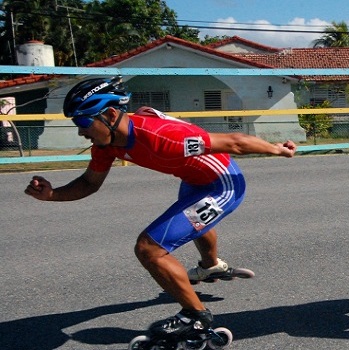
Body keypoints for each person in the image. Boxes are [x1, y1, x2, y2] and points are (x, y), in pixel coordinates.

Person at [24, 76, 296, 337]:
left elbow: (234, 142)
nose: (81, 131)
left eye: (83, 122)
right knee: (190, 222)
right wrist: (51, 195)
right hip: (193, 180)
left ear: (108, 116)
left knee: (150, 248)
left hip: (222, 185)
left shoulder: (163, 138)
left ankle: (195, 317)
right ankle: (211, 265)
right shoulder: (105, 146)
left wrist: (278, 149)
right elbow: (89, 183)